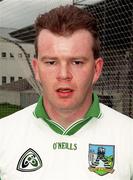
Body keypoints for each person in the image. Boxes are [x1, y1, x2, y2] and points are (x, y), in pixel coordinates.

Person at [0, 5, 132, 180]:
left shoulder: (128, 135)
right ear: (36, 69)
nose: (64, 75)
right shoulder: (4, 133)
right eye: (51, 62)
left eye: (77, 62)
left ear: (96, 69)